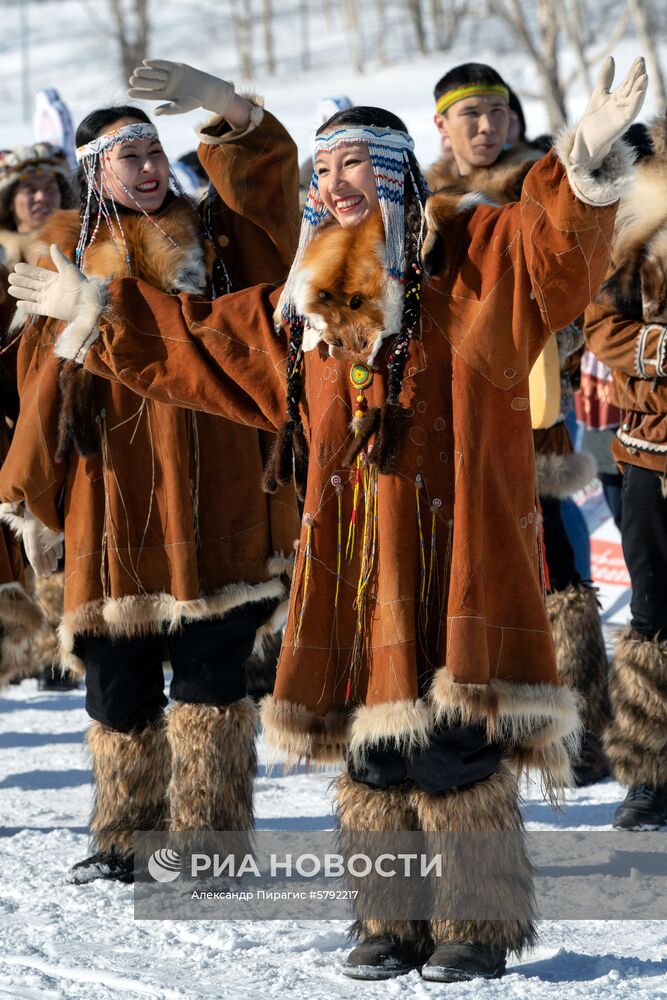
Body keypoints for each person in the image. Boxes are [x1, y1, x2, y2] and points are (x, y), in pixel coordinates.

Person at [8, 58, 646, 981]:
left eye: (351, 163)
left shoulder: (471, 256)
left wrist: (580, 164)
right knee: (369, 739)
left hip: (457, 538)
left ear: (391, 172)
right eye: (322, 169)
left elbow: (554, 257)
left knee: (454, 734)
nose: (332, 183)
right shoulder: (301, 301)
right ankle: (389, 919)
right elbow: (207, 349)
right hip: (348, 551)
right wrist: (96, 311)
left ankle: (476, 920)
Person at [0, 62, 301, 884]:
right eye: (124, 155)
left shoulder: (217, 237)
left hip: (219, 486)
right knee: (117, 677)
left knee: (211, 674)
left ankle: (209, 840)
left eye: (152, 149)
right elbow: (32, 379)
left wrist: (229, 111)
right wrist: (65, 339)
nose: (145, 165)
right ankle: (126, 836)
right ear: (95, 171)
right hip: (116, 494)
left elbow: (274, 207)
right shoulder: (63, 253)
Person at [427, 61, 611, 785]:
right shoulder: (423, 199)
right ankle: (477, 726)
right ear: (440, 123)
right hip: (450, 425)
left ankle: (581, 731)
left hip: (532, 418)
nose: (483, 126)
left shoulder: (549, 186)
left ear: (512, 120)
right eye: (466, 113)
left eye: (495, 113)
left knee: (561, 579)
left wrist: (554, 340)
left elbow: (585, 286)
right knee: (462, 576)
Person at [584, 112, 667, 830]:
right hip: (652, 454)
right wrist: (659, 355)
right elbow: (601, 325)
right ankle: (648, 776)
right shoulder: (637, 226)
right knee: (652, 616)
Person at [0, 143, 74, 689]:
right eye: (27, 189)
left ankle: (65, 639)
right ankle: (33, 645)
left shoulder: (83, 247)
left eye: (49, 187)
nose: (39, 196)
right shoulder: (3, 262)